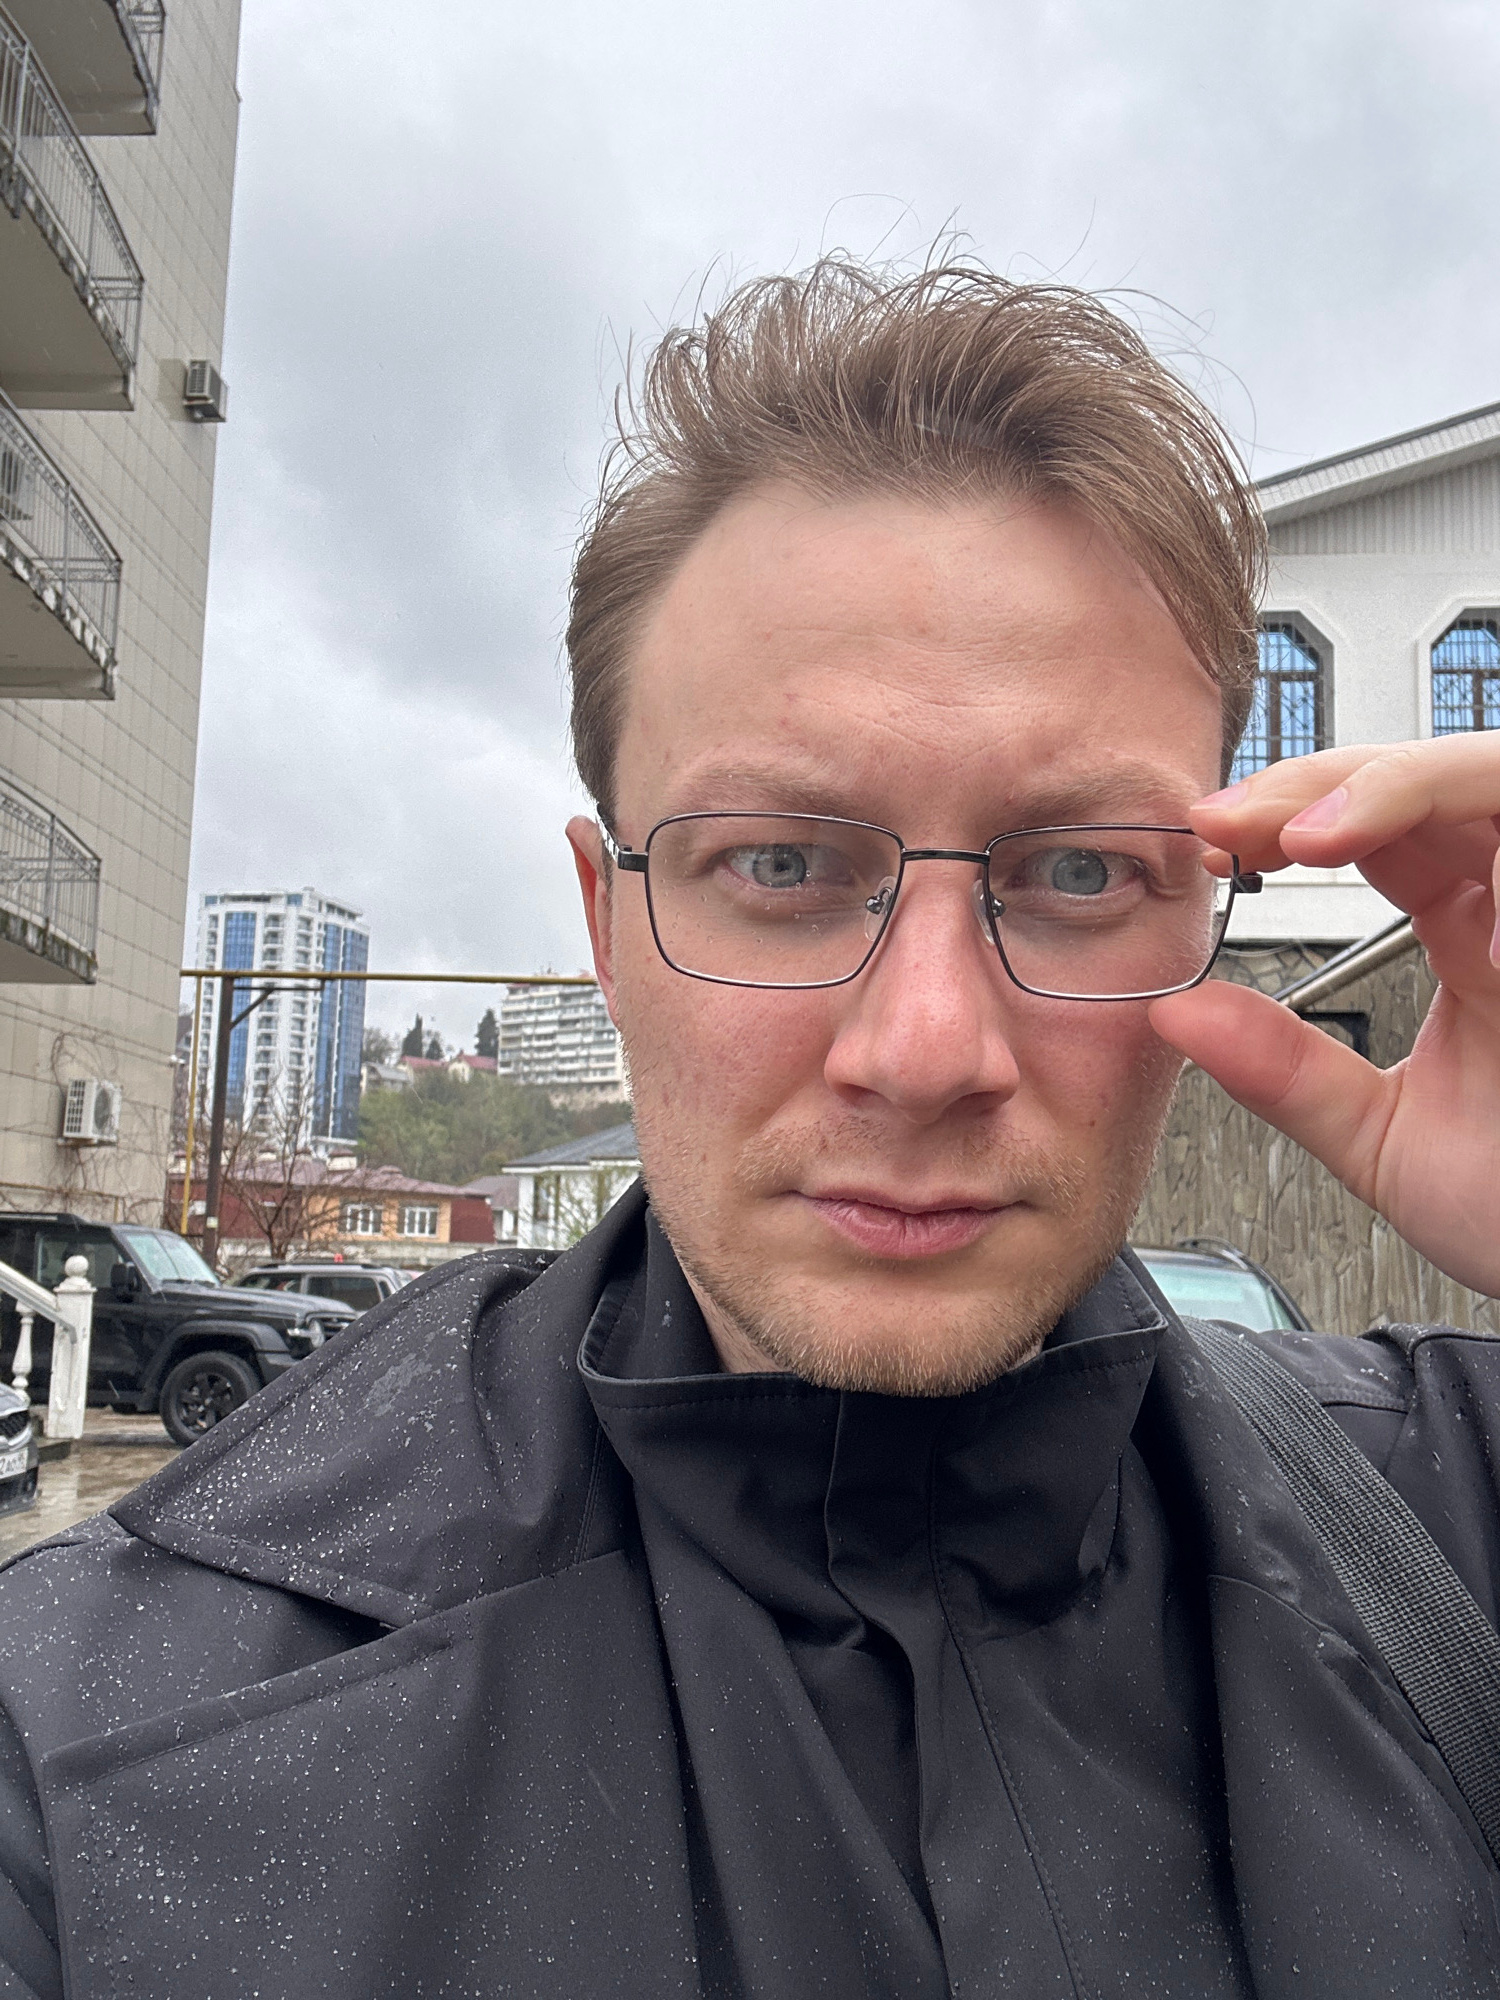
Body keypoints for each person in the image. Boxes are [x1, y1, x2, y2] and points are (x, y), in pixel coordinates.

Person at [1, 262, 1497, 2000]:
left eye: (1084, 871)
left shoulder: (1451, 1521)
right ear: (607, 924)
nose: (925, 1052)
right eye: (780, 865)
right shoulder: (91, 1745)